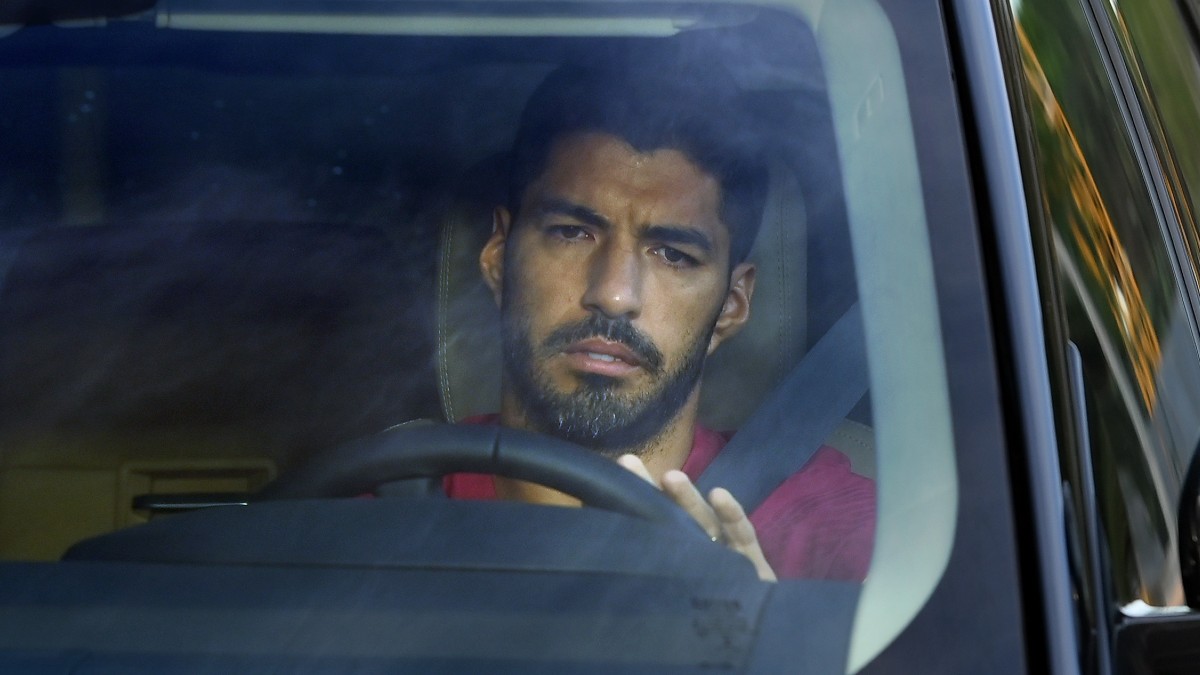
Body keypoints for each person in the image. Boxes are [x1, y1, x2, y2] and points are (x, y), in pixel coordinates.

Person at [445, 61, 874, 582]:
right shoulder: (389, 504)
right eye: (571, 232)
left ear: (732, 306)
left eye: (672, 254)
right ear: (497, 260)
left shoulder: (826, 525)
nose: (615, 294)